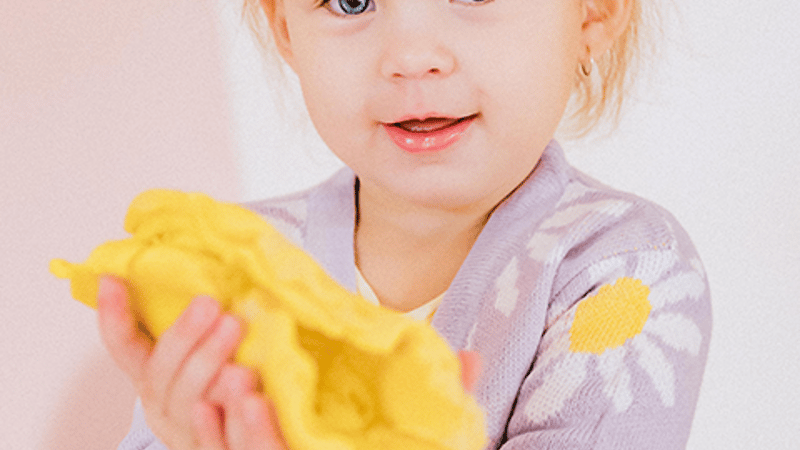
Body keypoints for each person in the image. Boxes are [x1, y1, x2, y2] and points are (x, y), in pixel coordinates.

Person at [97, 0, 712, 448]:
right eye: (352, 1)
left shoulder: (621, 271)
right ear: (285, 28)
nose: (412, 58)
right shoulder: (236, 264)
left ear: (593, 12)